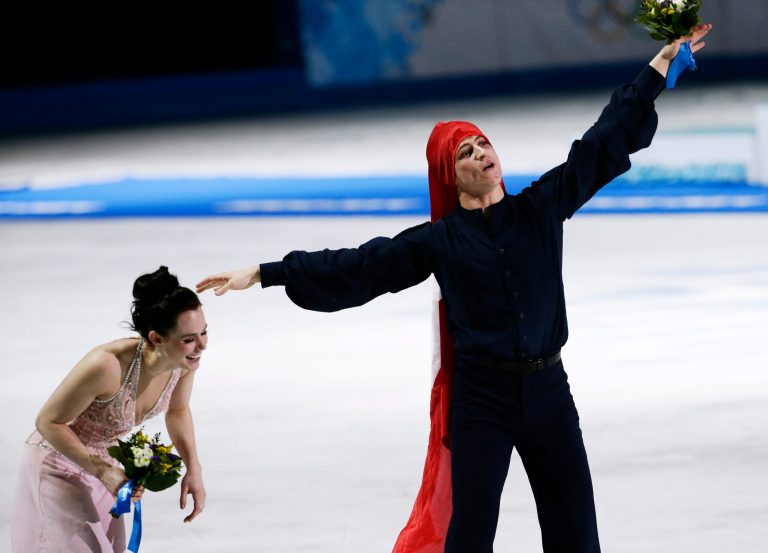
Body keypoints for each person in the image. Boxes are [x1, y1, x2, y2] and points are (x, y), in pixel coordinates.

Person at [196, 25, 712, 553]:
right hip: (482, 400)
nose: (481, 152)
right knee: (469, 540)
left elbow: (601, 144)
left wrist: (656, 71)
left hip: (549, 392)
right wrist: (267, 271)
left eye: (483, 142)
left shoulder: (540, 207)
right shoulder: (438, 241)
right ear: (452, 174)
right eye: (466, 151)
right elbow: (360, 267)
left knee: (576, 533)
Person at [11, 266, 208, 553]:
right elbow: (48, 421)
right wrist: (101, 470)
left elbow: (178, 411)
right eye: (189, 338)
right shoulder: (106, 365)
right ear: (156, 338)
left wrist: (194, 468)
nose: (201, 345)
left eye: (204, 332)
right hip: (59, 463)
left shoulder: (183, 363)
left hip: (107, 471)